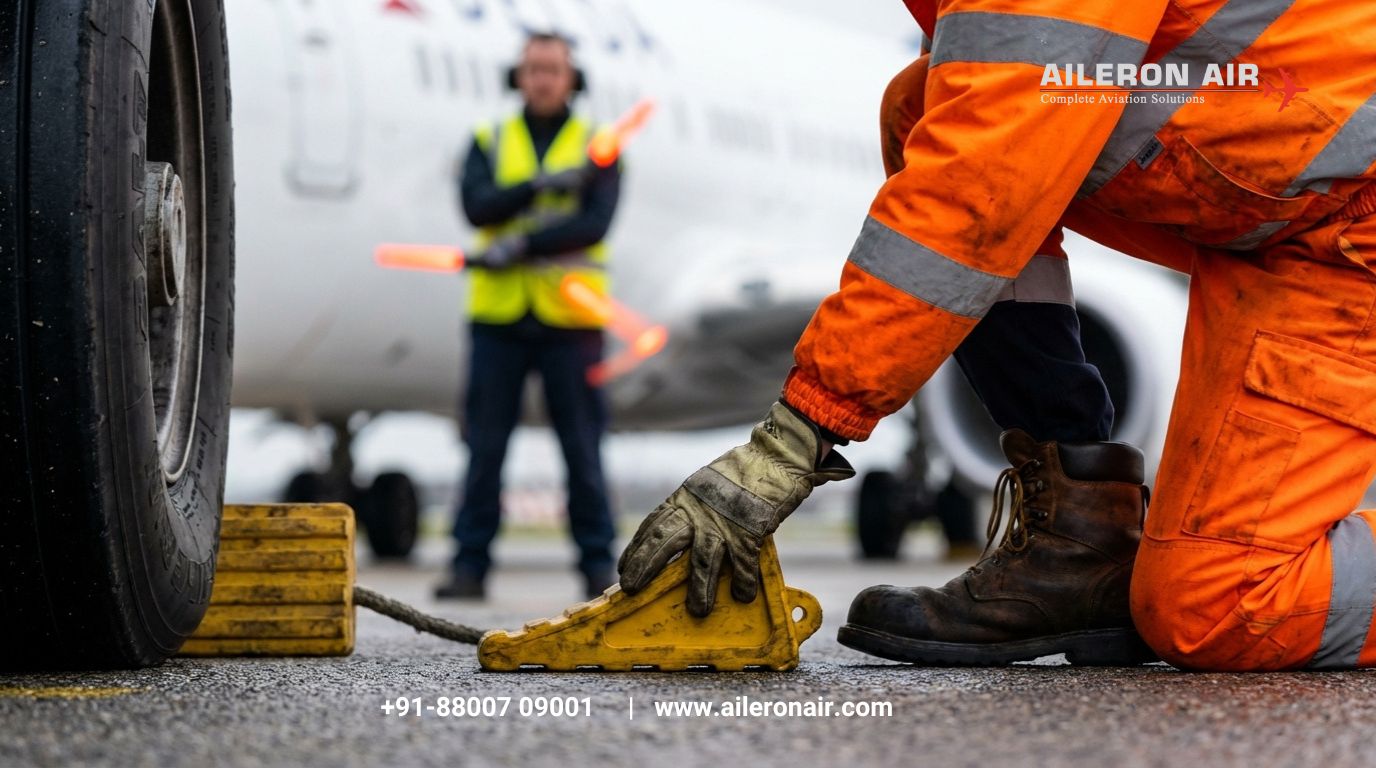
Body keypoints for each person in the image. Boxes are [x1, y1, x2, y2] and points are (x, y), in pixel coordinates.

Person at [617, 0, 1376, 671]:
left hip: (1349, 225)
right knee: (932, 107)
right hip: (1282, 222)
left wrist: (796, 436)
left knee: (1220, 608)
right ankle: (1079, 536)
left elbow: (984, 176)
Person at [436, 32, 621, 601]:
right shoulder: (488, 139)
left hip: (571, 321)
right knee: (485, 450)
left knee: (583, 449)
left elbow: (594, 225)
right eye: (533, 68)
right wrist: (540, 185)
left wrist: (522, 244)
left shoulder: (600, 145)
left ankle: (598, 567)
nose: (541, 78)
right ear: (517, 77)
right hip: (499, 319)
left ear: (573, 79)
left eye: (552, 69)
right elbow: (475, 207)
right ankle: (469, 568)